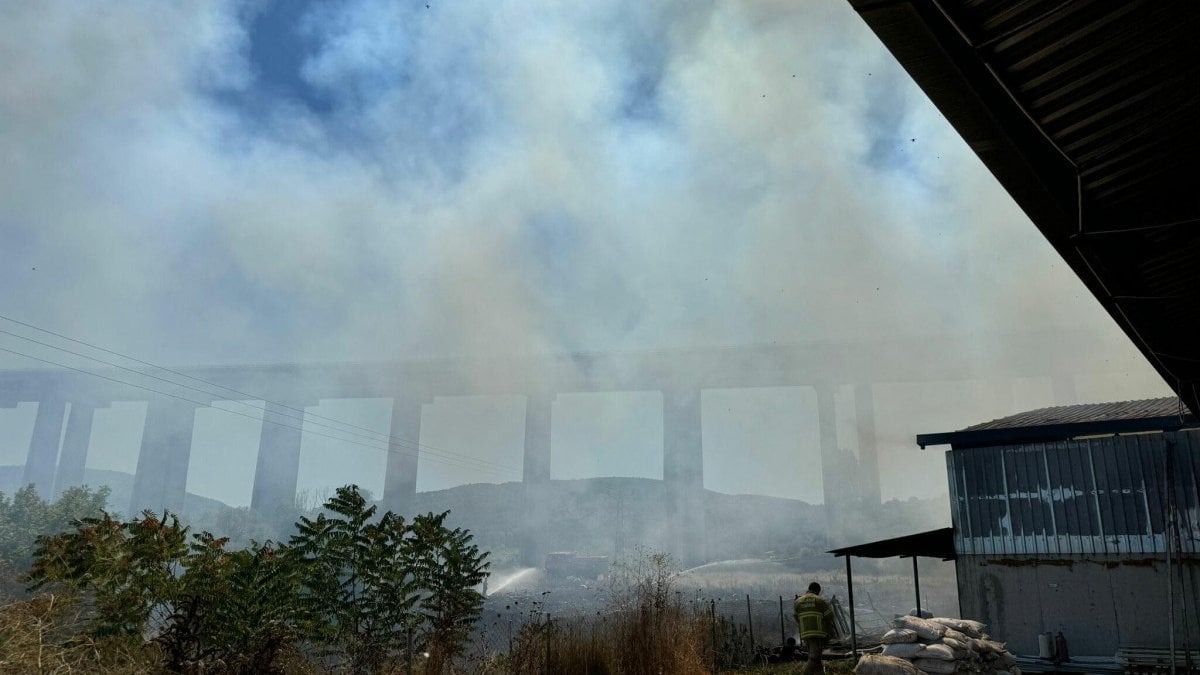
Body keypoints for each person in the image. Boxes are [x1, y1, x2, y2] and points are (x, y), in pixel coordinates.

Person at [794, 582, 837, 675]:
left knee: (816, 660)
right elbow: (830, 615)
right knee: (814, 658)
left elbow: (796, 617)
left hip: (805, 634)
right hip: (817, 633)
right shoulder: (819, 600)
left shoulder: (798, 601)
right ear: (818, 591)